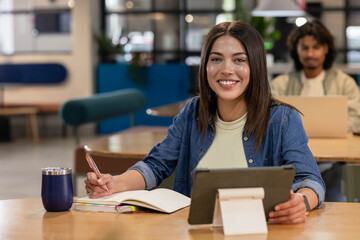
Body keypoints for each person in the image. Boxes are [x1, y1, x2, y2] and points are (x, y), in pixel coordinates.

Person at [85, 20, 325, 224]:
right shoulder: (193, 112)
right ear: (205, 65)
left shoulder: (282, 119)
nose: (226, 69)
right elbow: (155, 165)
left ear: (256, 66)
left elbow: (311, 180)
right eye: (216, 59)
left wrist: (301, 202)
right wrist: (115, 183)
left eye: (239, 60)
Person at [271, 20, 360, 202]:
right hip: (289, 163)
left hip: (333, 161)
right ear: (296, 49)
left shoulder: (344, 83)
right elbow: (269, 121)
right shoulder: (281, 84)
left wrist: (332, 128)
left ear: (326, 49)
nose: (310, 53)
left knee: (335, 202)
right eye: (305, 47)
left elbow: (356, 119)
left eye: (316, 47)